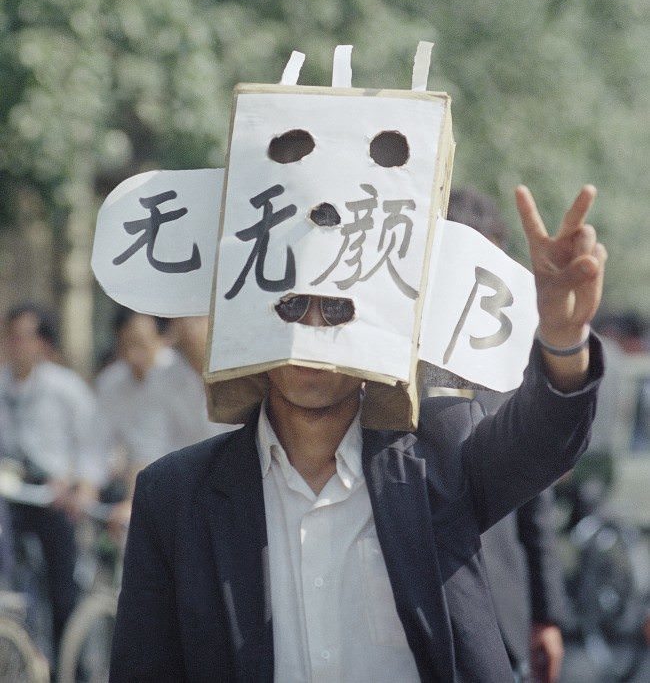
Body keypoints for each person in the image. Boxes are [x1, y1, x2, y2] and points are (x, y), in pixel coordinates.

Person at [110, 183, 606, 683]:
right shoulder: (174, 497)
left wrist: (563, 344)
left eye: (338, 309)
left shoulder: (442, 454)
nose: (313, 330)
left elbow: (542, 443)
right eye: (292, 306)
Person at [446, 186, 568, 683]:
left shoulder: (507, 369)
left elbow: (535, 502)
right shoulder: (384, 370)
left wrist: (547, 613)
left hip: (501, 615)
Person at [0, 302, 103, 660]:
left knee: (63, 591)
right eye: (10, 337)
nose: (16, 346)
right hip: (12, 497)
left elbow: (94, 445)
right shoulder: (2, 386)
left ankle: (68, 664)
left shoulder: (65, 388)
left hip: (54, 499)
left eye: (25, 337)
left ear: (43, 343)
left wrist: (77, 485)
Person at [95, 308, 229, 527]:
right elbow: (148, 447)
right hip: (188, 496)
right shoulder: (161, 379)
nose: (189, 327)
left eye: (197, 317)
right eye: (183, 317)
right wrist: (132, 502)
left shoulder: (244, 372)